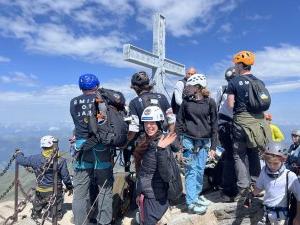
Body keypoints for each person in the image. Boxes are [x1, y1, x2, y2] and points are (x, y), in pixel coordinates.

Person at [227, 50, 272, 198]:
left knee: (239, 155)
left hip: (241, 122)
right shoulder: (259, 81)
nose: (234, 66)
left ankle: (243, 187)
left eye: (236, 64)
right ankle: (257, 185)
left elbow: (230, 105)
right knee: (253, 153)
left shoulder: (233, 82)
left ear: (241, 64)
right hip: (258, 123)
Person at [70, 73, 114, 225]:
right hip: (100, 145)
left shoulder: (73, 102)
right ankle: (104, 221)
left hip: (81, 147)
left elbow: (78, 124)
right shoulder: (100, 99)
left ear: (81, 87)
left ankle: (80, 222)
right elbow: (104, 122)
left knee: (80, 192)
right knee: (104, 187)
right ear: (97, 85)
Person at [176, 73, 218, 214]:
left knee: (200, 170)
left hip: (205, 142)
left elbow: (214, 125)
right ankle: (191, 202)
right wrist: (178, 146)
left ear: (198, 87)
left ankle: (197, 195)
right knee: (191, 171)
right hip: (188, 140)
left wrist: (213, 146)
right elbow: (179, 123)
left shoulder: (210, 102)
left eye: (191, 86)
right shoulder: (186, 102)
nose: (188, 88)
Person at [124, 71, 176, 172]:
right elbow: (171, 120)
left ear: (135, 87)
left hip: (144, 144)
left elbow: (134, 129)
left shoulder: (134, 102)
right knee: (163, 170)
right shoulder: (162, 97)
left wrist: (126, 143)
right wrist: (170, 136)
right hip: (162, 141)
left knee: (145, 173)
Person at [134, 105, 176, 225]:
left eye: (152, 122)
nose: (148, 126)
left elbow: (167, 175)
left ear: (159, 124)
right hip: (145, 194)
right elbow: (142, 172)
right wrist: (138, 192)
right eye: (146, 123)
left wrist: (161, 150)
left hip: (155, 197)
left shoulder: (162, 144)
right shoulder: (144, 141)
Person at [15, 135, 73, 220]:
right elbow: (65, 177)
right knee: (57, 212)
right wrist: (69, 187)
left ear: (42, 146)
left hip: (40, 190)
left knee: (38, 203)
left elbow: (21, 160)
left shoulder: (34, 159)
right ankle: (56, 214)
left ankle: (36, 213)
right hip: (55, 191)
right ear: (54, 145)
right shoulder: (60, 160)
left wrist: (19, 153)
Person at [246, 142, 300, 225]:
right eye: (268, 162)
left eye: (275, 163)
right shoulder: (264, 171)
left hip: (281, 217)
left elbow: (299, 198)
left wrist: (298, 217)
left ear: (283, 160)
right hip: (266, 214)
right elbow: (259, 187)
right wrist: (251, 195)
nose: (271, 166)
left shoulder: (289, 176)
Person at [215, 66, 238, 201]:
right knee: (231, 157)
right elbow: (216, 106)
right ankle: (228, 189)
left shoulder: (228, 89)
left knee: (232, 157)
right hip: (226, 126)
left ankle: (228, 187)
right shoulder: (222, 89)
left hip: (231, 125)